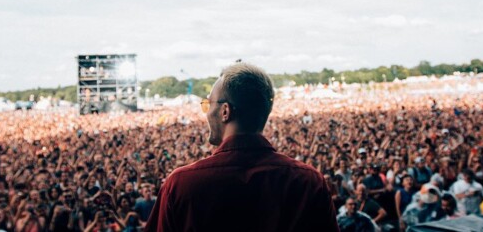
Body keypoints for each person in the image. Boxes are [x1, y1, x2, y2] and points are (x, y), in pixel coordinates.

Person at [145, 62, 338, 231]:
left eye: (208, 104)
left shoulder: (181, 185)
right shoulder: (308, 182)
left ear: (225, 111)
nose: (206, 112)